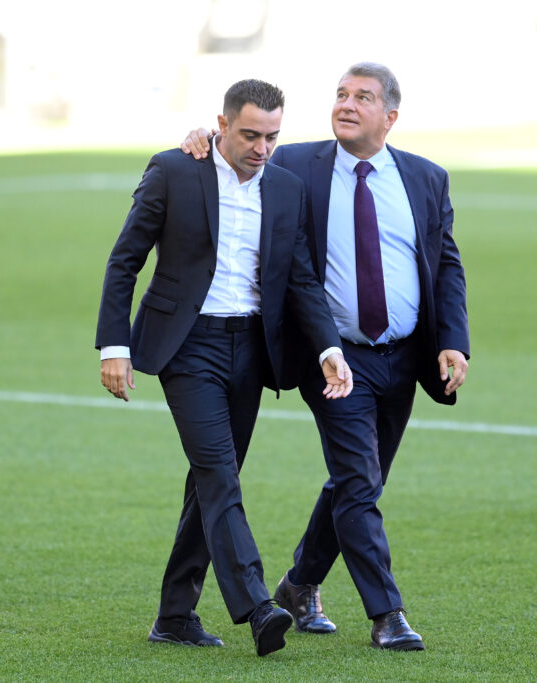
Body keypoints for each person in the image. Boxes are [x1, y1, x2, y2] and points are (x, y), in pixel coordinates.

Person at [182, 62, 470, 651]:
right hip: (331, 356)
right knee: (357, 482)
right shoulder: (291, 164)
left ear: (390, 116)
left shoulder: (425, 178)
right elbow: (235, 151)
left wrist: (452, 340)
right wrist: (200, 139)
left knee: (359, 483)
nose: (346, 104)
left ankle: (300, 583)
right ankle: (387, 614)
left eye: (363, 97)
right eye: (340, 94)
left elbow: (445, 264)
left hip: (404, 356)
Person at [96, 78, 354, 657]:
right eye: (249, 135)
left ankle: (175, 615)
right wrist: (114, 346)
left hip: (252, 349)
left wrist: (328, 347)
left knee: (211, 480)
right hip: (187, 346)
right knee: (220, 475)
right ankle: (259, 604)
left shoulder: (285, 188)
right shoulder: (174, 171)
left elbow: (304, 279)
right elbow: (124, 261)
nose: (262, 147)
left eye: (272, 136)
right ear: (220, 124)